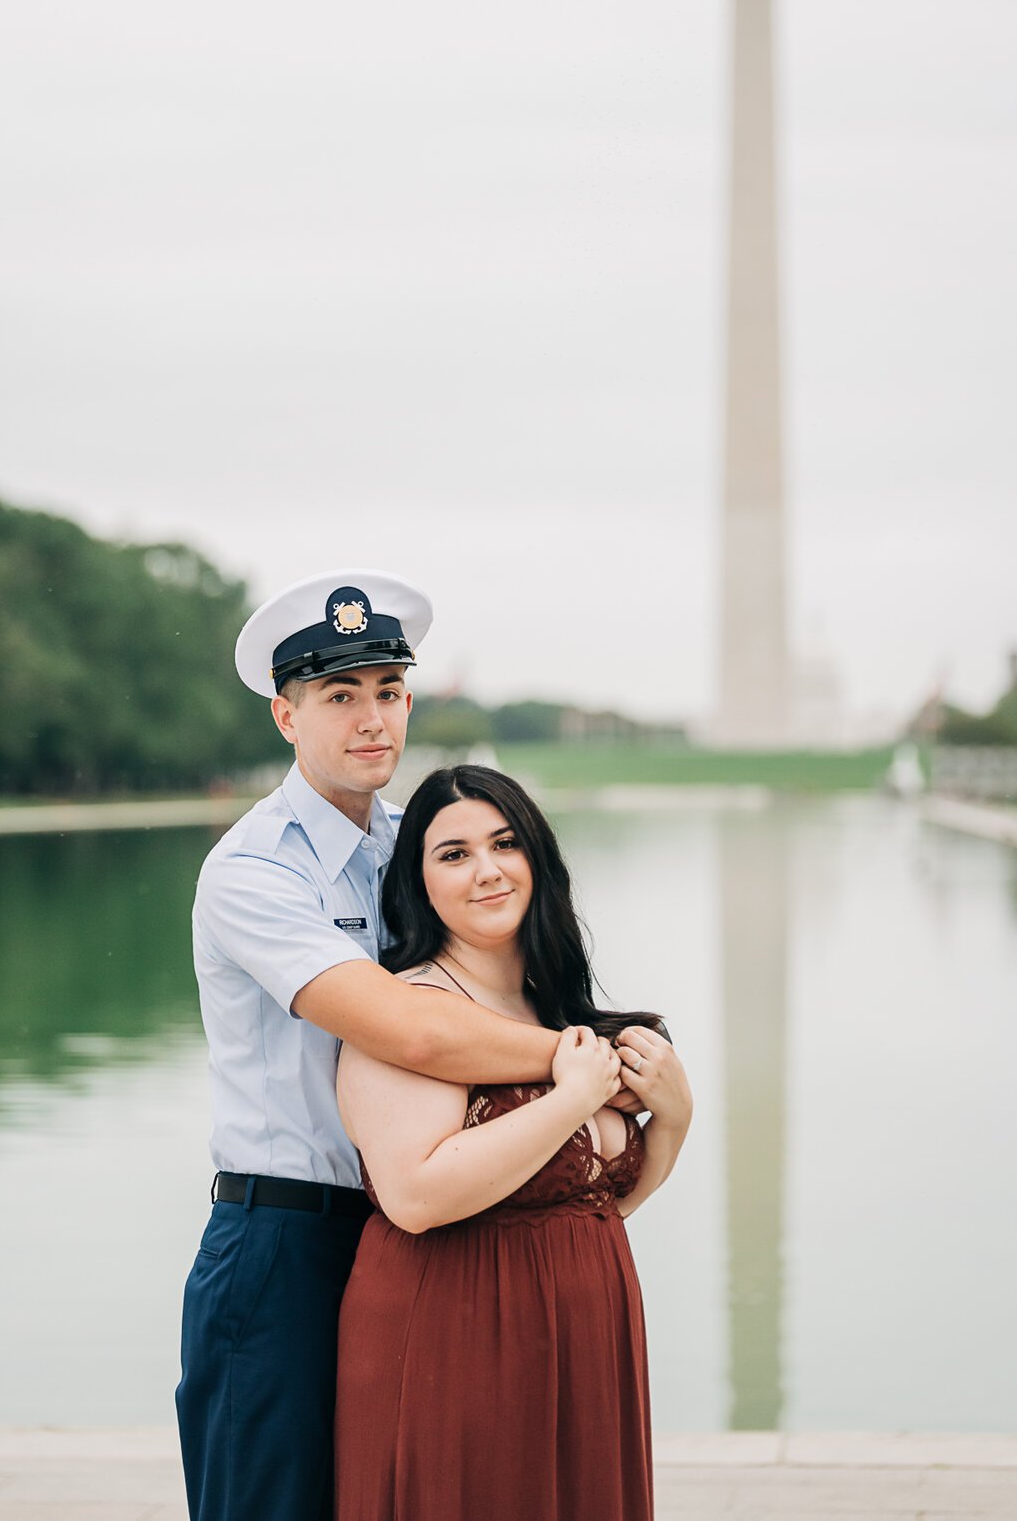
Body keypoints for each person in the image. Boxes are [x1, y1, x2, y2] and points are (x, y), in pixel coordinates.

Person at [178, 571, 623, 1521]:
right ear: (285, 716)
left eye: (387, 691)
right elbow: (409, 1027)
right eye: (339, 696)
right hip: (285, 1238)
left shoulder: (412, 846)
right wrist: (576, 1065)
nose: (371, 718)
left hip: (417, 1247)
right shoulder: (253, 871)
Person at [332, 765, 691, 1521]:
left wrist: (676, 1119)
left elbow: (605, 1200)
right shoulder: (407, 1011)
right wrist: (572, 1100)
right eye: (453, 853)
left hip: (586, 1339)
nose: (488, 870)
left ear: (538, 857)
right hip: (457, 1339)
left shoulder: (555, 1011)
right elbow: (416, 1195)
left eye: (504, 843)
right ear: (418, 881)